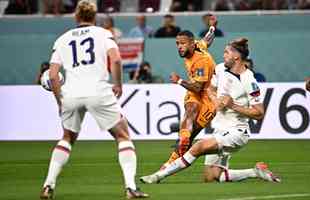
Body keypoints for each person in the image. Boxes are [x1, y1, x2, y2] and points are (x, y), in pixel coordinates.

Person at [39, 1, 149, 199]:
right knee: (123, 136)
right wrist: (118, 84)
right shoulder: (103, 34)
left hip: (71, 93)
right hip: (98, 90)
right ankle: (131, 188)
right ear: (94, 16)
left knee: (67, 138)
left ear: (76, 16)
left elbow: (53, 75)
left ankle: (48, 185)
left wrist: (59, 100)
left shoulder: (62, 39)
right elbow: (115, 59)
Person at [140, 38, 281, 184]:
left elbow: (259, 113)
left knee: (198, 146)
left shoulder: (248, 80)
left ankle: (157, 176)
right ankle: (255, 172)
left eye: (226, 53)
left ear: (236, 57)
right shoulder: (220, 68)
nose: (223, 55)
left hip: (237, 132)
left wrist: (233, 105)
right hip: (219, 130)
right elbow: (211, 89)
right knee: (212, 176)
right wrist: (216, 100)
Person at [156, 30, 216, 171]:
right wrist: (212, 27)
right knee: (191, 109)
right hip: (196, 91)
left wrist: (179, 81)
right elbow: (207, 40)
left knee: (192, 132)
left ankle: (170, 162)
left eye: (182, 43)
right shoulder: (197, 45)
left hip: (210, 96)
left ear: (190, 43)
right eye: (177, 43)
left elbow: (197, 88)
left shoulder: (201, 61)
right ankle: (183, 139)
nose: (179, 46)